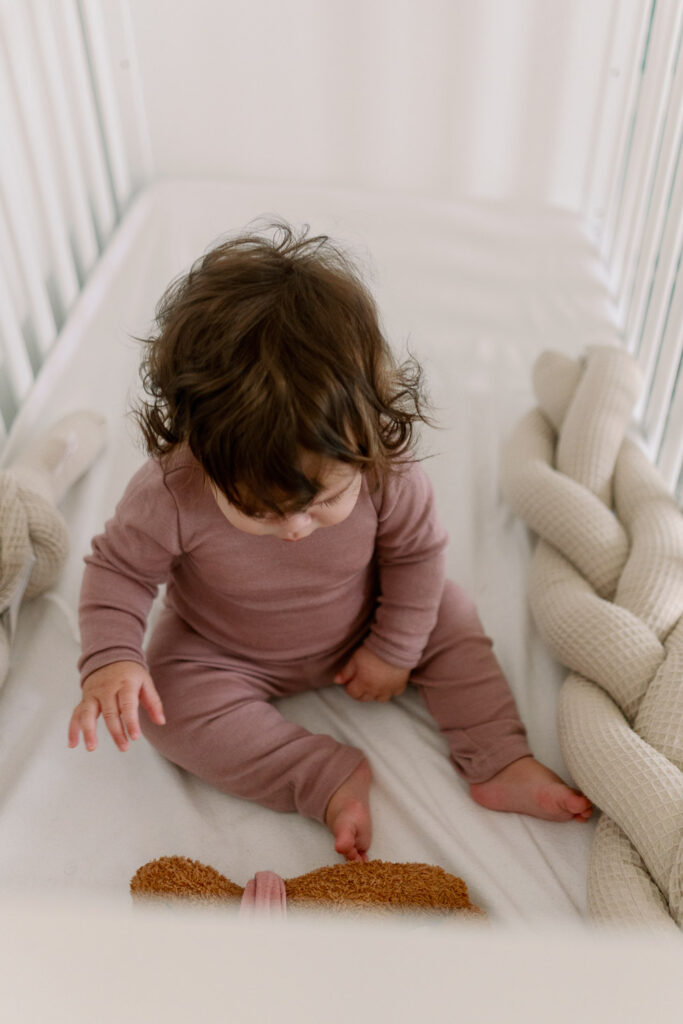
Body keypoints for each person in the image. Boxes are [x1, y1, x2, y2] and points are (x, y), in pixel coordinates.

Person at [68, 221, 592, 862]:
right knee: (162, 707)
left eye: (322, 504)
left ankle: (498, 759)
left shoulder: (383, 468)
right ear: (200, 448)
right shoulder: (174, 488)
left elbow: (417, 553)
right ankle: (324, 776)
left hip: (372, 614)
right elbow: (119, 572)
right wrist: (112, 659)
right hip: (224, 649)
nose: (292, 528)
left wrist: (395, 647)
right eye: (259, 511)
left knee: (448, 614)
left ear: (372, 430)